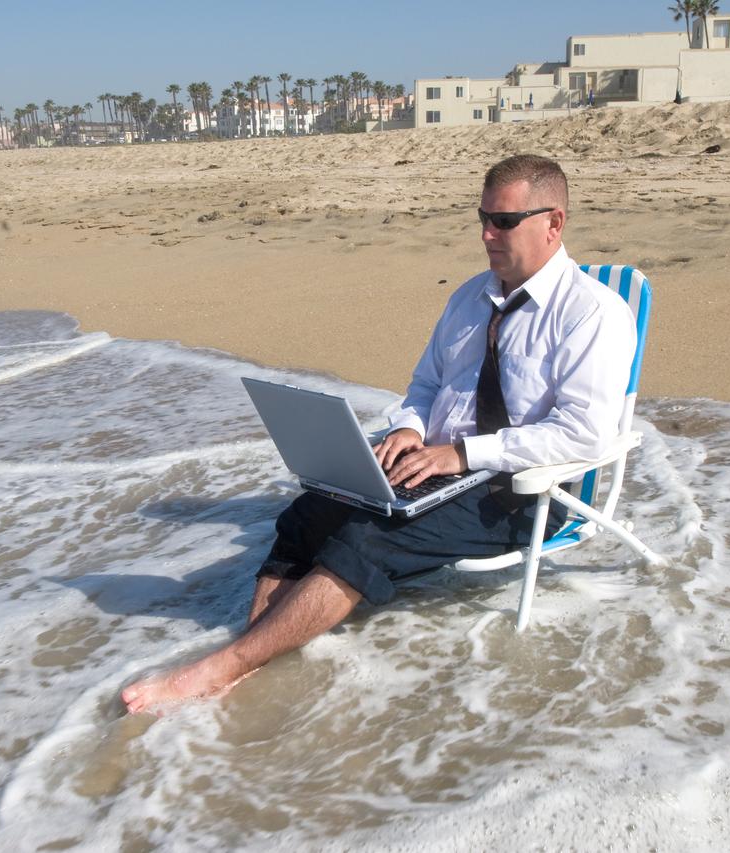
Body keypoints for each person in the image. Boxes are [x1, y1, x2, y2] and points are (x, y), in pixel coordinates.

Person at [121, 154, 636, 714]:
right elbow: (424, 386)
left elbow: (585, 434)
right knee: (309, 513)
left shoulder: (593, 314)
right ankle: (255, 647)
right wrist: (411, 430)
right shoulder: (469, 299)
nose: (487, 233)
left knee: (367, 540)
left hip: (521, 492)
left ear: (553, 223)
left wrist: (462, 454)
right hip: (438, 468)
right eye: (482, 217)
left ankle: (228, 666)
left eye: (504, 222)